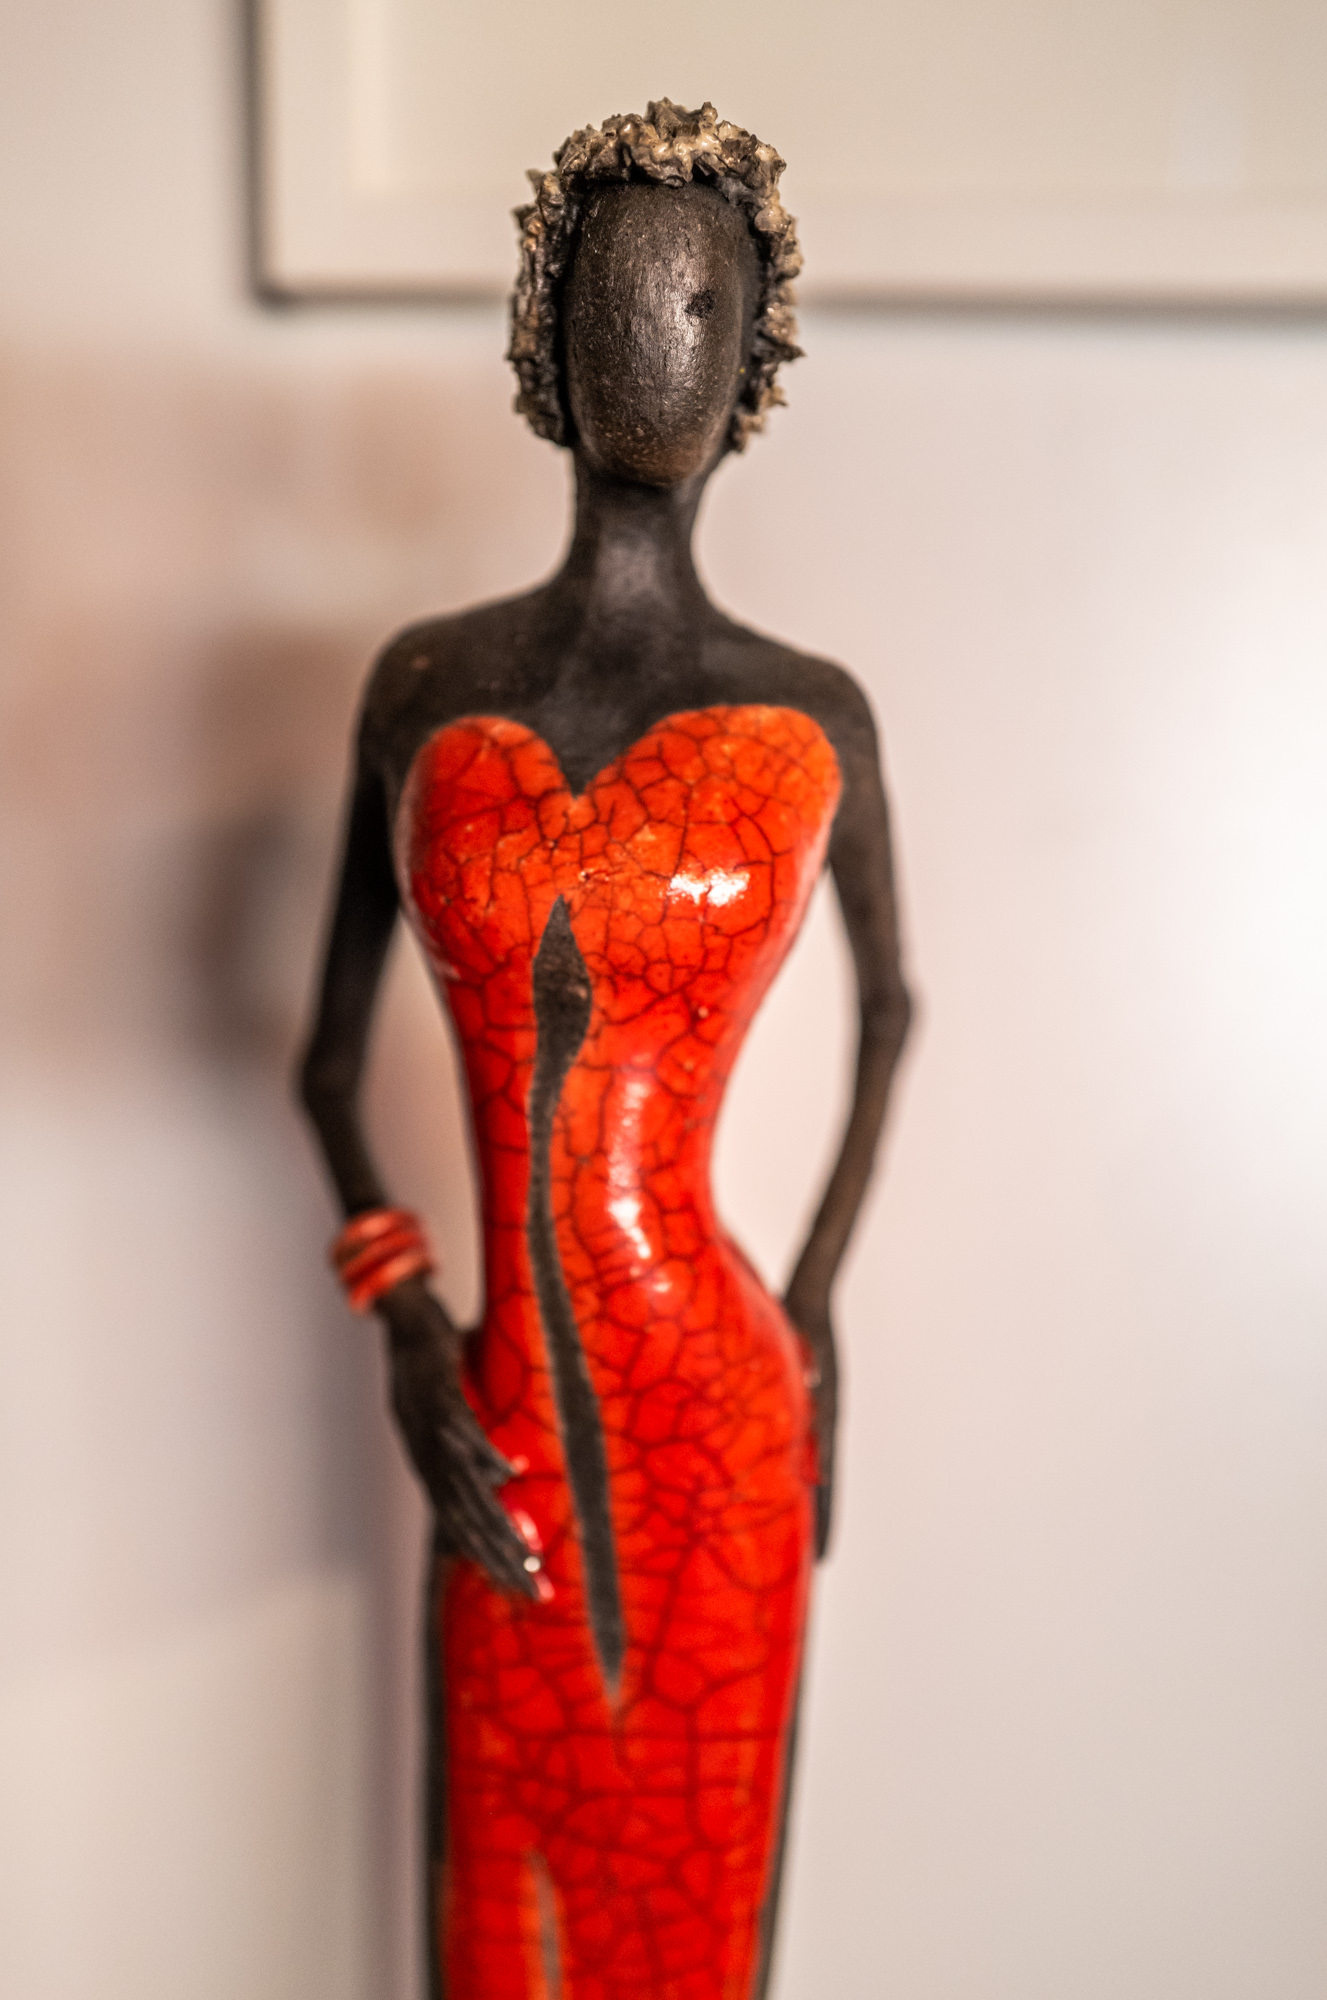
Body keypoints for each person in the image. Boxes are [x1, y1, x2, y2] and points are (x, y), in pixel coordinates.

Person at [299, 100, 912, 2000]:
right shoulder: (428, 689)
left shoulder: (815, 715)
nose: (658, 331)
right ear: (544, 324)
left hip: (721, 1410)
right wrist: (406, 1320)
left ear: (756, 353)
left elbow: (895, 1011)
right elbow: (322, 1065)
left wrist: (815, 1307)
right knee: (502, 1894)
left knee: (696, 1904)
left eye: (701, 298)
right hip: (496, 1405)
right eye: (618, 289)